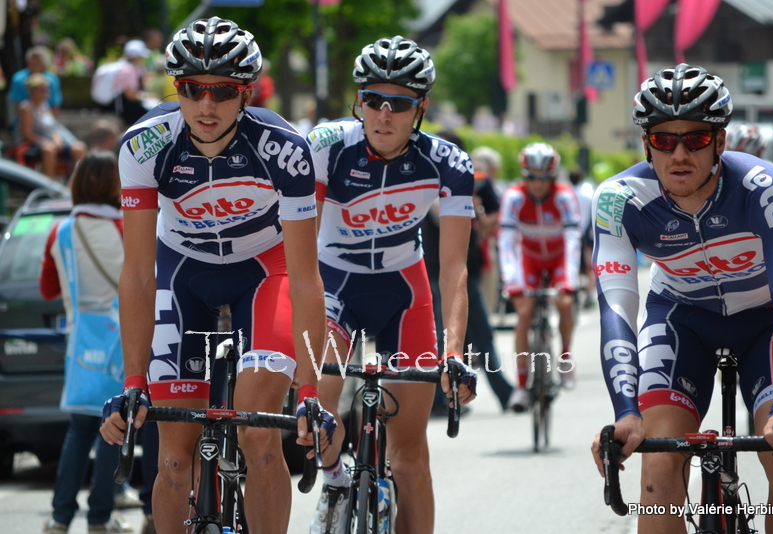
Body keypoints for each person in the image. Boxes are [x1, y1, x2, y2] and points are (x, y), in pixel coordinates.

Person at [98, 17, 336, 534]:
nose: (206, 105)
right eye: (191, 89)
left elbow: (304, 275)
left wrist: (311, 391)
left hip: (264, 271)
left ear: (246, 92)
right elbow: (139, 274)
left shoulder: (284, 149)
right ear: (176, 89)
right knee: (174, 457)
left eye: (223, 91)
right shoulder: (145, 145)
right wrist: (133, 382)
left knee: (256, 434)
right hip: (184, 273)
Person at [588, 63, 773, 533]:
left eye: (696, 139)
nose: (679, 153)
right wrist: (626, 413)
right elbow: (617, 306)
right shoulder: (619, 199)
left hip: (767, 321)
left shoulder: (765, 188)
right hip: (683, 321)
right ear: (646, 143)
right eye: (664, 139)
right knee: (658, 473)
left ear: (721, 142)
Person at [307, 36, 478, 534]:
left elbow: (454, 270)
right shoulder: (327, 147)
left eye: (399, 103)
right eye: (372, 100)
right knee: (320, 416)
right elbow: (299, 248)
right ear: (357, 102)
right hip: (334, 285)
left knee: (408, 458)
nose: (383, 114)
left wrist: (455, 352)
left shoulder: (449, 163)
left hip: (405, 295)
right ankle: (337, 477)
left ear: (420, 107)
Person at [39, 150, 133, 534]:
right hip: (120, 340)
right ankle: (99, 518)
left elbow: (48, 289)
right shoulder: (127, 228)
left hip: (81, 341)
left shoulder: (60, 232)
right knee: (112, 425)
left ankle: (60, 518)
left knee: (78, 430)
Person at [424, 138, 512, 414]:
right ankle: (441, 400)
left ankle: (505, 394)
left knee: (482, 336)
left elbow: (488, 225)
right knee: (443, 337)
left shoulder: (470, 182)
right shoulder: (430, 184)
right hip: (439, 276)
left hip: (465, 273)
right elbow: (440, 216)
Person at [499, 142, 581, 411]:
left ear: (553, 177)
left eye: (543, 178)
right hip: (529, 259)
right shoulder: (513, 197)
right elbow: (507, 242)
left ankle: (565, 358)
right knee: (524, 314)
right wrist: (510, 280)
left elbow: (572, 241)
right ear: (524, 176)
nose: (537, 184)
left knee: (565, 303)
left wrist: (568, 280)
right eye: (532, 178)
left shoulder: (564, 197)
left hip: (558, 258)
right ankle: (522, 386)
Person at [17, 73, 87, 179]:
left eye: (46, 89)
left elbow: (53, 128)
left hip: (51, 142)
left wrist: (57, 140)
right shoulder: (26, 108)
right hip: (36, 144)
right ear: (33, 91)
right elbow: (27, 134)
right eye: (43, 90)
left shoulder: (45, 106)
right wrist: (46, 142)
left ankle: (75, 183)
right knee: (49, 149)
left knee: (79, 148)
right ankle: (49, 185)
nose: (47, 92)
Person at [568, 168, 597, 308]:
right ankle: (588, 293)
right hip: (586, 233)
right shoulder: (588, 194)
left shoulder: (567, 194)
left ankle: (573, 292)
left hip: (570, 233)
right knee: (589, 266)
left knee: (572, 264)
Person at [112, 39, 153, 127]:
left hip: (130, 107)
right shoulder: (127, 70)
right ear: (137, 57)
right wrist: (147, 97)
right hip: (126, 111)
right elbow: (130, 95)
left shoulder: (135, 68)